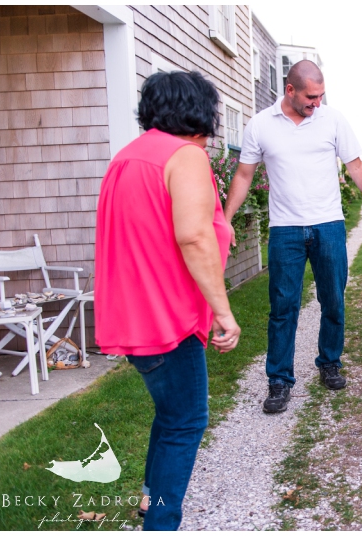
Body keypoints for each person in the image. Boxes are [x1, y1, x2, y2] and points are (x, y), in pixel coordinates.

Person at [95, 70, 240, 530]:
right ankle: (161, 523)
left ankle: (147, 504)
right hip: (166, 318)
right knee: (186, 423)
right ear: (199, 110)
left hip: (134, 313)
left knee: (171, 416)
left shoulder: (129, 157)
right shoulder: (185, 155)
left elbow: (153, 227)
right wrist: (223, 313)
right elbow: (193, 237)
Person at [223, 60, 362, 413]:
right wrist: (225, 220)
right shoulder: (260, 125)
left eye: (321, 96)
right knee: (282, 307)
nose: (317, 102)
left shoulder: (332, 120)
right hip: (285, 229)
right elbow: (243, 176)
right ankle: (279, 380)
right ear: (290, 90)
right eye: (311, 96)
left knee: (333, 300)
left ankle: (329, 362)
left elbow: (357, 167)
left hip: (328, 225)